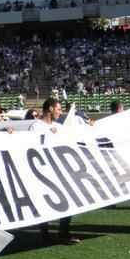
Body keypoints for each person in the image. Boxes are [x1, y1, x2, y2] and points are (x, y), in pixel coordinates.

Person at [37, 98, 80, 245]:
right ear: (50, 109)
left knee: (69, 197)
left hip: (59, 170)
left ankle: (64, 232)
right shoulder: (36, 126)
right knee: (45, 202)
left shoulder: (58, 126)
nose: (60, 113)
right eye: (59, 109)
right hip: (43, 171)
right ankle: (45, 234)